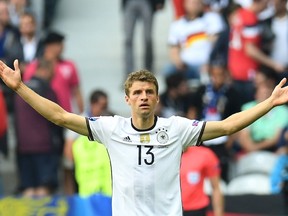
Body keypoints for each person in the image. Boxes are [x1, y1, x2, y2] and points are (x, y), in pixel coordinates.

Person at [1, 60, 288, 215]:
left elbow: (226, 126)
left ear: (157, 97)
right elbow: (60, 116)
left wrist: (270, 103)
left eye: (149, 92)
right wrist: (20, 88)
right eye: (137, 93)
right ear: (127, 99)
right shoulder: (111, 128)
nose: (144, 97)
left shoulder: (176, 129)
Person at [13, 58, 63, 197]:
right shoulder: (47, 90)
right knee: (44, 188)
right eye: (52, 72)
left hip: (23, 147)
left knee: (28, 188)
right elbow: (57, 118)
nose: (53, 76)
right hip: (44, 147)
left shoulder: (21, 88)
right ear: (45, 70)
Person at [187, 58, 241, 182]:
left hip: (222, 136)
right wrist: (191, 131)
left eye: (221, 75)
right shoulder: (202, 90)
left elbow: (237, 117)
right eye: (215, 75)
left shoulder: (232, 93)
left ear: (226, 75)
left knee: (220, 168)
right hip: (202, 132)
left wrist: (231, 140)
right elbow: (192, 110)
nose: (218, 78)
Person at [227, 0, 285, 106]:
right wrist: (274, 64)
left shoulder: (240, 13)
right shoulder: (250, 18)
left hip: (235, 70)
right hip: (247, 73)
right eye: (267, 2)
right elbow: (250, 50)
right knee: (249, 109)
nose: (268, 5)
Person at [63, 89, 114, 196]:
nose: (105, 109)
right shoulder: (79, 121)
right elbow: (69, 147)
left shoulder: (109, 118)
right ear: (93, 104)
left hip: (104, 175)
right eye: (102, 106)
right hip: (85, 172)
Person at [23, 31, 84, 113]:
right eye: (59, 44)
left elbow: (77, 92)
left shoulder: (69, 65)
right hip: (42, 115)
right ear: (48, 46)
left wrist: (81, 112)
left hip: (65, 116)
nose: (62, 46)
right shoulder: (33, 67)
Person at [165, 0, 224, 82]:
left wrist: (210, 62)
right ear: (185, 4)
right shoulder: (177, 25)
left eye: (197, 2)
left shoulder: (212, 18)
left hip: (206, 64)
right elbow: (173, 49)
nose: (195, 5)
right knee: (168, 71)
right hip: (186, 66)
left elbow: (218, 43)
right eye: (192, 3)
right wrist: (179, 63)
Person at [236, 67, 288, 154]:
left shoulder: (284, 111)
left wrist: (255, 149)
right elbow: (243, 136)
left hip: (273, 151)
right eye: (262, 93)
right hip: (249, 151)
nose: (264, 97)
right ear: (256, 95)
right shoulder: (247, 108)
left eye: (267, 94)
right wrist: (251, 149)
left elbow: (276, 138)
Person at [121, 0, 165, 76]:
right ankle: (128, 72)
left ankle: (148, 69)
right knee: (128, 39)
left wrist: (160, 2)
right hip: (129, 3)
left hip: (147, 3)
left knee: (147, 38)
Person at [181, 146, 224, 216]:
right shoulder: (161, 155)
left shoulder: (205, 154)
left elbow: (216, 188)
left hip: (196, 209)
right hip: (168, 208)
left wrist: (218, 214)